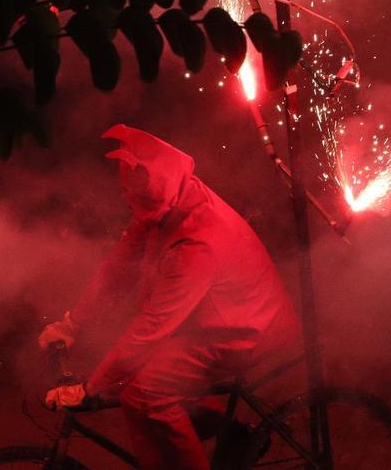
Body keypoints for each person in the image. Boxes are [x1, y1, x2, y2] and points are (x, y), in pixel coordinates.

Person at [39, 124, 299, 470]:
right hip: (217, 318)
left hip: (246, 329)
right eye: (128, 194)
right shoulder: (170, 195)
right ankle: (230, 433)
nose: (132, 204)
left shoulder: (200, 242)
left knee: (145, 391)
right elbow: (120, 266)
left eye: (139, 199)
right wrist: (74, 323)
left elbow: (152, 327)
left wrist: (90, 389)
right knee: (137, 379)